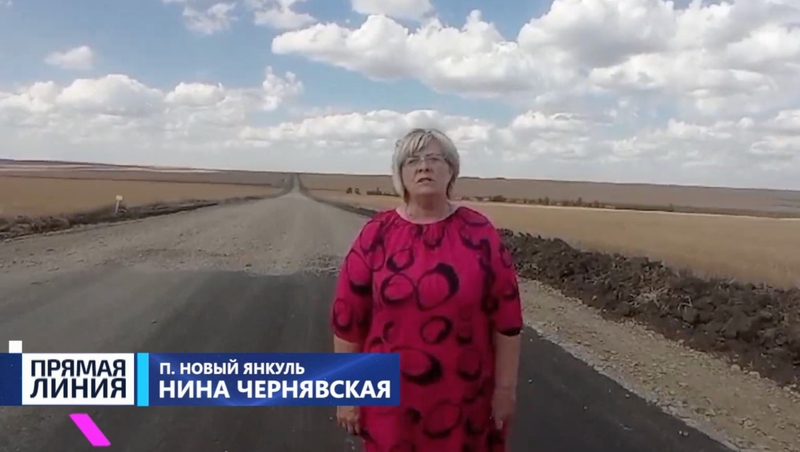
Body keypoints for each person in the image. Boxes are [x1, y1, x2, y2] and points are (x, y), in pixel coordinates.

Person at [330, 128, 523, 452]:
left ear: (451, 170)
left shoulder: (480, 233)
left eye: (434, 158)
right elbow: (348, 319)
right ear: (400, 174)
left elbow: (508, 320)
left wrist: (505, 389)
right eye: (413, 160)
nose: (424, 166)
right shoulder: (376, 234)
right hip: (390, 402)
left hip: (465, 398)